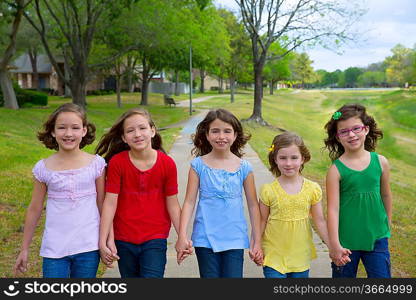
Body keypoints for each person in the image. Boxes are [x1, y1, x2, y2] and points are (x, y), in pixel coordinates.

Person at [14, 103, 106, 278]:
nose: (69, 133)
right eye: (62, 128)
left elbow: (103, 205)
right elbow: (34, 209)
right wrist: (24, 248)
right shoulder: (43, 168)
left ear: (84, 131)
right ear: (53, 132)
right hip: (54, 250)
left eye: (75, 127)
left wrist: (107, 240)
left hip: (88, 247)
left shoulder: (96, 164)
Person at [96, 108, 190, 278]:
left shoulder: (167, 163)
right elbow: (109, 203)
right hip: (124, 237)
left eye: (142, 128)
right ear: (124, 138)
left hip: (155, 237)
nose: (137, 134)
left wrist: (182, 236)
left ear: (152, 131)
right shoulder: (118, 163)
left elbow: (173, 204)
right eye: (130, 131)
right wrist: (103, 241)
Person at [175, 108, 263, 278]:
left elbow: (253, 205)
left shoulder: (244, 167)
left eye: (227, 131)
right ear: (207, 135)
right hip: (204, 239)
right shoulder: (198, 166)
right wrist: (182, 235)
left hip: (235, 239)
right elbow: (189, 202)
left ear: (235, 135)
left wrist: (256, 240)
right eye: (215, 131)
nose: (221, 136)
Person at [324, 103, 392, 278]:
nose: (351, 134)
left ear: (366, 129)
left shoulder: (381, 162)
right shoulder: (335, 170)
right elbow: (332, 209)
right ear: (338, 137)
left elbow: (385, 194)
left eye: (356, 128)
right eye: (344, 131)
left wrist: (387, 222)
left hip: (377, 237)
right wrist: (334, 244)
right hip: (346, 242)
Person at [257, 131, 334, 278]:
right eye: (283, 158)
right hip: (274, 254)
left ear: (302, 159)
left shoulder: (313, 189)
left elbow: (319, 220)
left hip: (300, 255)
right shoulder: (268, 190)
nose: (288, 163)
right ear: (275, 159)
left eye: (294, 158)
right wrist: (256, 245)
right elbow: (262, 220)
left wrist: (332, 245)